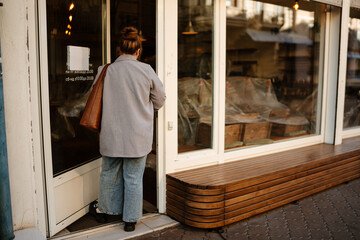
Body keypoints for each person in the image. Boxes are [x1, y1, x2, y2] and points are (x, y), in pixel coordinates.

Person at [89, 26, 166, 232]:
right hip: (137, 135)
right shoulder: (146, 70)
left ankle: (105, 211)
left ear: (118, 49)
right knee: (133, 177)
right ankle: (130, 220)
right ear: (138, 51)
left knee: (109, 172)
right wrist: (145, 107)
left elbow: (94, 97)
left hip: (111, 133)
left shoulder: (105, 70)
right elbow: (160, 100)